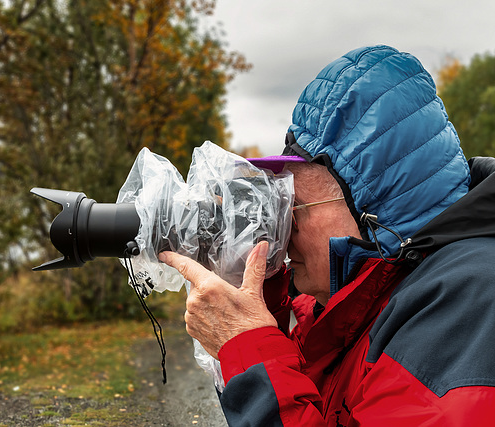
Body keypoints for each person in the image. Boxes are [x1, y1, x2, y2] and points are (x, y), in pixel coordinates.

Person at [159, 45, 495, 426]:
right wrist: (266, 319)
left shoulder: (466, 303)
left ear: (373, 210)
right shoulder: (365, 302)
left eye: (295, 208)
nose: (286, 228)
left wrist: (252, 353)